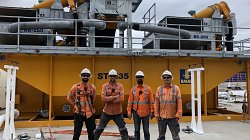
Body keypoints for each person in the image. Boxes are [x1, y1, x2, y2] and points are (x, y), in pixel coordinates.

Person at [94, 69, 129, 140]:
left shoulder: (120, 86)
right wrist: (114, 97)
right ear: (109, 76)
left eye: (114, 76)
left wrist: (109, 99)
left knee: (123, 130)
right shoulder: (105, 86)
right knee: (99, 129)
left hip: (118, 113)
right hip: (107, 112)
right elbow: (103, 99)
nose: (112, 77)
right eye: (111, 76)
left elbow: (121, 99)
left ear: (116, 77)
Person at [67, 68, 96, 140]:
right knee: (76, 133)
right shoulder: (75, 87)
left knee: (91, 133)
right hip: (78, 113)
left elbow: (93, 99)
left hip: (89, 114)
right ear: (81, 76)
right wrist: (75, 105)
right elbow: (69, 97)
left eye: (87, 75)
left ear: (89, 76)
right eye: (83, 75)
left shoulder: (92, 87)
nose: (85, 77)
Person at [154, 70, 182, 140]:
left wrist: (178, 114)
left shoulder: (176, 88)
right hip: (162, 117)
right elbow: (156, 103)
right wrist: (156, 114)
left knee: (175, 136)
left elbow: (179, 102)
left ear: (171, 78)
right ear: (162, 78)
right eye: (164, 77)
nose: (166, 79)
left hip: (173, 117)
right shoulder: (159, 89)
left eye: (168, 77)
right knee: (161, 136)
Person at [127, 71, 154, 140]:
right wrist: (129, 112)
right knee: (136, 130)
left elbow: (151, 101)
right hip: (136, 112)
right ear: (136, 78)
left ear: (143, 78)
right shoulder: (133, 89)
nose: (139, 78)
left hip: (145, 112)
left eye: (141, 77)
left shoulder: (148, 89)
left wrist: (152, 111)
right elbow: (130, 101)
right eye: (138, 77)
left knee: (146, 130)